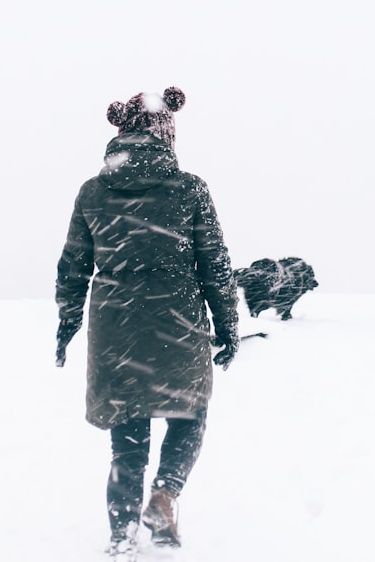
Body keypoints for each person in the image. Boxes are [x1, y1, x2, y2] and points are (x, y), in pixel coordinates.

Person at [54, 86, 239, 560]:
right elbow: (214, 264)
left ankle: (120, 538)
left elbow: (74, 265)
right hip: (177, 317)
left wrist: (68, 320)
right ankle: (165, 494)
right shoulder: (189, 188)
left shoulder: (93, 192)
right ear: (167, 133)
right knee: (189, 411)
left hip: (117, 324)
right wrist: (227, 324)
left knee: (128, 436)